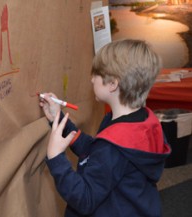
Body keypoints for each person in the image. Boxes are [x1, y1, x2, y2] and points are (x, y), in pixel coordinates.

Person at [39, 39, 171, 217]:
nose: (91, 79)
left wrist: (56, 159)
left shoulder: (113, 146)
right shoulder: (143, 121)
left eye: (97, 74)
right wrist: (59, 118)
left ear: (113, 84)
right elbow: (96, 151)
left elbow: (84, 199)